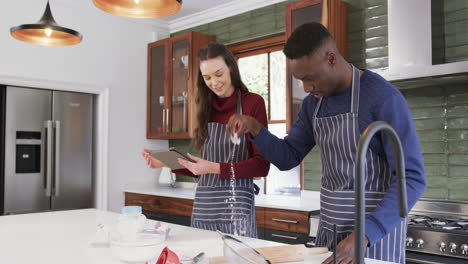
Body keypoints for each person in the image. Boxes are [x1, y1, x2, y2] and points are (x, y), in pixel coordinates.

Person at [227, 22, 426, 264]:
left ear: (331, 58)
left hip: (374, 240)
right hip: (330, 235)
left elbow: (412, 178)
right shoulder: (314, 104)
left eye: (310, 78)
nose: (307, 88)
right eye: (300, 80)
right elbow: (287, 156)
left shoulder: (384, 99)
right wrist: (256, 128)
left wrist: (365, 234)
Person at [142, 43, 270, 238]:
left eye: (219, 74)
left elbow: (262, 166)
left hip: (237, 210)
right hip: (204, 207)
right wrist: (167, 162)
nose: (214, 82)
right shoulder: (204, 107)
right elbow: (202, 168)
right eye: (207, 77)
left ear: (231, 69)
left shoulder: (253, 103)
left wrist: (214, 168)